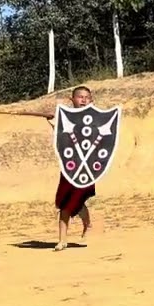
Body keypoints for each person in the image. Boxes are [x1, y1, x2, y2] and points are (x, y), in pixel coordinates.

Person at [47, 85, 97, 251]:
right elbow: (62, 138)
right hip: (70, 167)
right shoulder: (65, 118)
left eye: (86, 97)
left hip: (86, 168)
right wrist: (55, 123)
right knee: (64, 202)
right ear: (72, 99)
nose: (83, 100)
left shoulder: (94, 120)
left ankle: (87, 222)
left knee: (77, 200)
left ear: (91, 100)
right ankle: (62, 240)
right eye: (80, 97)